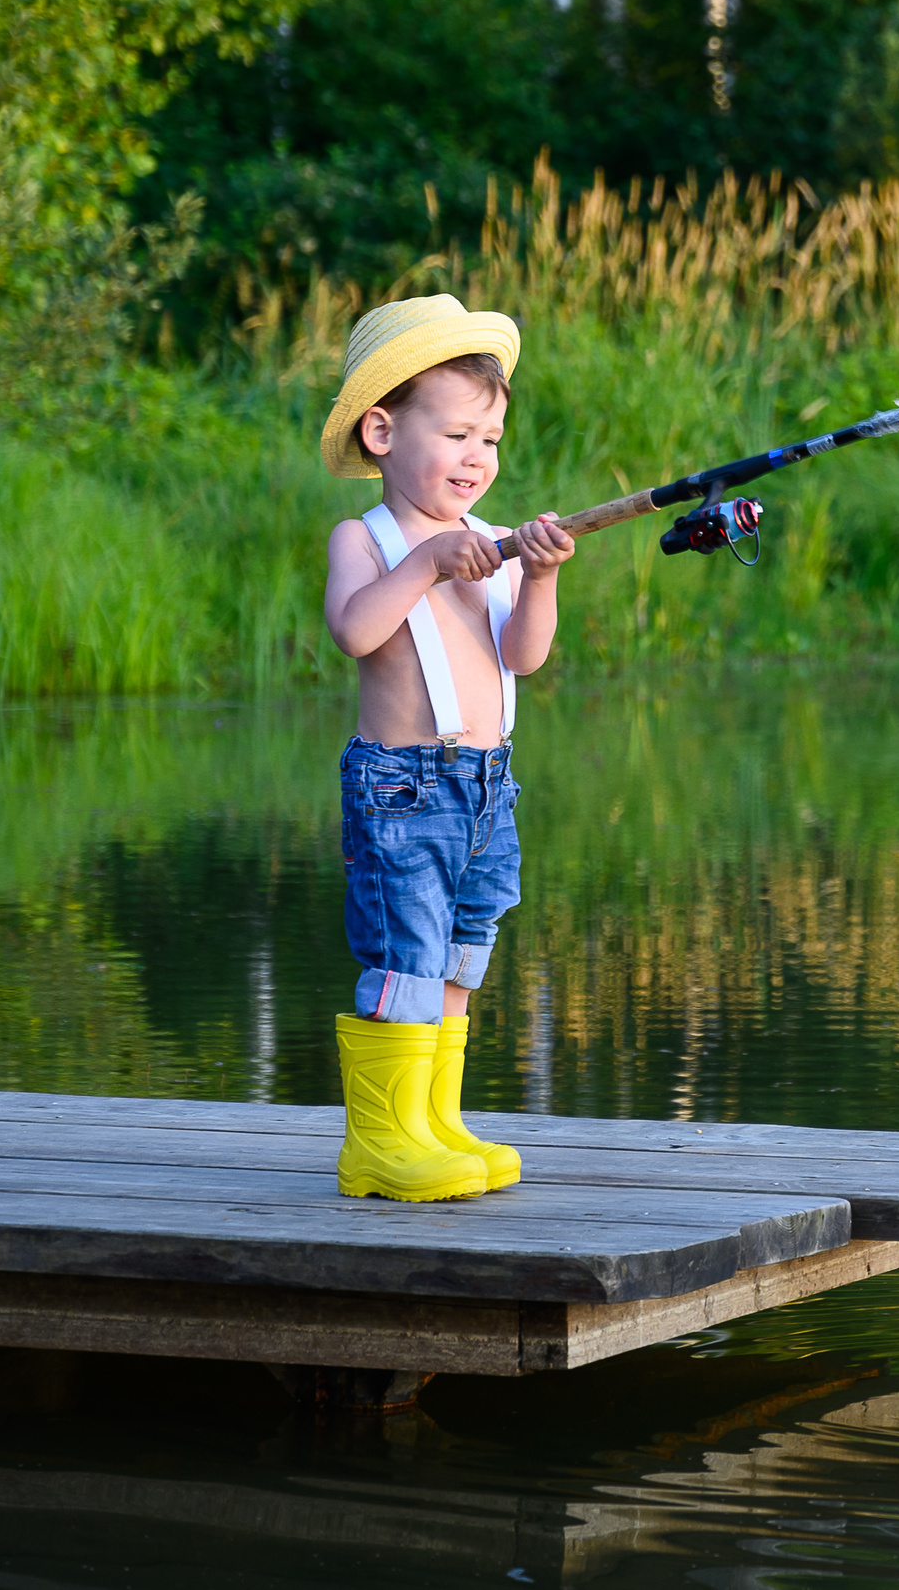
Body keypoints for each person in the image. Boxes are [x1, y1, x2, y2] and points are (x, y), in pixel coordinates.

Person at [317, 295, 575, 1202]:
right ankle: (381, 1142)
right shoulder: (368, 539)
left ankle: (436, 1121)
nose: (479, 458)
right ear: (383, 431)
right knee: (406, 953)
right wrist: (426, 564)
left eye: (492, 440)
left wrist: (536, 573)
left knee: (464, 950)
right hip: (403, 789)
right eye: (459, 434)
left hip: (486, 787)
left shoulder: (494, 549)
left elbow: (523, 657)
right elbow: (356, 629)